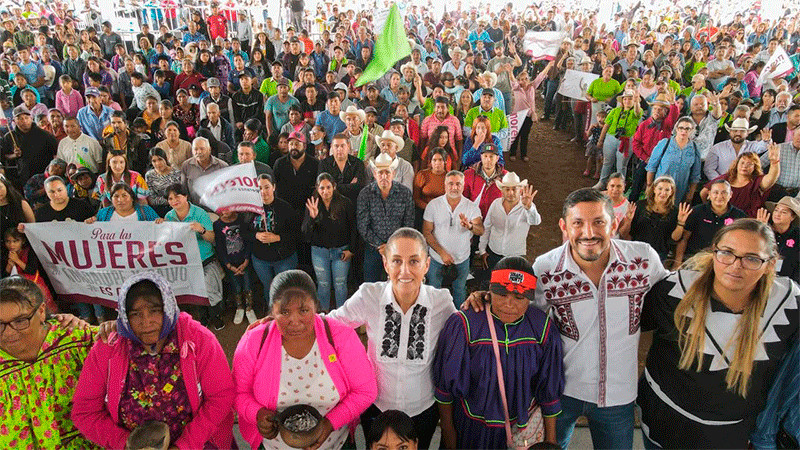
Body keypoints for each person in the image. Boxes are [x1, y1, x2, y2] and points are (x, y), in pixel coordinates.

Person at [638, 219, 799, 448]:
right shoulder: (673, 291)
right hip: (662, 424)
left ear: (771, 264)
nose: (736, 265)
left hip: (732, 436)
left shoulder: (790, 304)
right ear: (714, 251)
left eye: (752, 258)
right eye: (727, 253)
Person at [71, 272, 235, 448]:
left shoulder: (197, 339)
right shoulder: (108, 348)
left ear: (168, 308)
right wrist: (125, 444)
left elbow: (221, 397)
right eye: (135, 314)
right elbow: (85, 411)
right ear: (125, 316)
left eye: (155, 311)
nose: (146, 321)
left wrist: (185, 446)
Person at [233, 269, 378, 450]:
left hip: (335, 444)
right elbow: (239, 394)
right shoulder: (254, 342)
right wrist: (256, 414)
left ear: (316, 307)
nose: (295, 321)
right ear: (272, 311)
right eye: (284, 312)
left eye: (303, 310)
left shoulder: (340, 336)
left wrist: (329, 424)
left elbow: (366, 391)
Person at [435, 256, 564, 448]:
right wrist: (449, 433)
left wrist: (551, 442)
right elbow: (445, 389)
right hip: (471, 429)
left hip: (520, 431)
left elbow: (549, 390)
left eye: (519, 297)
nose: (509, 304)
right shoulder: (465, 325)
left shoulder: (541, 329)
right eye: (502, 294)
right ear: (490, 291)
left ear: (530, 298)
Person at [0, 276, 96, 448]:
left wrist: (112, 327)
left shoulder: (78, 341)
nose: (8, 333)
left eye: (20, 321)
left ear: (42, 311)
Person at [160, 183, 225, 330]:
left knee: (210, 288)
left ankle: (216, 315)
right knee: (194, 291)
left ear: (186, 196)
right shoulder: (169, 216)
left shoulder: (200, 213)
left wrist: (201, 230)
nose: (174, 201)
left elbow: (211, 238)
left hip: (205, 259)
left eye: (177, 196)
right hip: (185, 262)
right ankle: (203, 317)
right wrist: (160, 226)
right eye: (170, 198)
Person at [422, 170, 483, 306]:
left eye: (458, 184)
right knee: (433, 290)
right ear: (445, 185)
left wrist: (470, 226)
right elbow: (426, 233)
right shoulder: (433, 205)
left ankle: (458, 320)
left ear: (463, 185)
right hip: (437, 259)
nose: (454, 187)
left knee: (460, 290)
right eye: (451, 184)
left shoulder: (471, 206)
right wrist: (442, 253)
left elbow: (481, 230)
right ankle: (434, 318)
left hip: (462, 259)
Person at [302, 173, 357, 311]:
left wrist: (352, 250)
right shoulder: (313, 204)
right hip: (319, 252)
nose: (325, 191)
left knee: (340, 284)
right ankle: (323, 316)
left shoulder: (345, 203)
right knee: (323, 285)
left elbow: (354, 229)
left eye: (328, 187)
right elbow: (305, 234)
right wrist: (312, 218)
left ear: (334, 186)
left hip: (341, 251)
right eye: (322, 188)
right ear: (317, 188)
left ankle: (341, 317)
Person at [243, 174, 298, 312]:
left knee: (284, 289)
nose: (263, 191)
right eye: (259, 188)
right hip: (261, 259)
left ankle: (287, 313)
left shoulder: (285, 207)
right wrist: (256, 235)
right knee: (269, 288)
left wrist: (277, 238)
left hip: (284, 258)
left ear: (273, 187)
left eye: (267, 187)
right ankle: (272, 314)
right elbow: (243, 233)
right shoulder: (251, 209)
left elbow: (296, 233)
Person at [357, 153, 415, 283]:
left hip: (398, 248)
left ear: (393, 174)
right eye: (380, 173)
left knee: (397, 284)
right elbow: (363, 225)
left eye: (387, 173)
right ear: (374, 173)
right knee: (371, 286)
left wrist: (392, 245)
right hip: (373, 249)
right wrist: (381, 246)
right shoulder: (365, 194)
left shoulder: (405, 193)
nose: (384, 176)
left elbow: (408, 223)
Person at [478, 172, 541, 273]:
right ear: (502, 190)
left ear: (520, 190)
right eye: (507, 189)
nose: (511, 193)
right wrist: (482, 250)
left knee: (512, 286)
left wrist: (529, 208)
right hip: (494, 253)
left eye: (514, 189)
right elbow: (487, 227)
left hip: (515, 256)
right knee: (491, 283)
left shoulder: (527, 205)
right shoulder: (495, 204)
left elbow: (536, 221)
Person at [619, 176, 687, 262]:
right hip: (636, 250)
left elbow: (675, 238)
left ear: (671, 192)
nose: (663, 193)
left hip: (658, 255)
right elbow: (625, 233)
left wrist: (681, 223)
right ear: (654, 189)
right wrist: (628, 220)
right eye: (660, 188)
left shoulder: (675, 211)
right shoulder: (640, 205)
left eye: (667, 190)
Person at [701, 146, 780, 217]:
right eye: (742, 163)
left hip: (747, 221)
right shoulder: (726, 177)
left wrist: (774, 162)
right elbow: (703, 193)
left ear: (755, 167)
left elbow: (771, 178)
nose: (745, 166)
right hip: (725, 218)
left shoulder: (757, 180)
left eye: (749, 164)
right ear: (737, 164)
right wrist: (711, 209)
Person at [646, 117, 702, 205]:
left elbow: (695, 175)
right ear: (676, 128)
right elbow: (651, 167)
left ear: (692, 130)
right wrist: (649, 186)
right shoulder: (665, 143)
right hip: (660, 190)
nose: (684, 131)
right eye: (681, 128)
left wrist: (690, 194)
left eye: (687, 128)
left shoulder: (694, 149)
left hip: (680, 191)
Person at [2, 105, 59, 191]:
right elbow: (5, 156)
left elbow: (56, 153)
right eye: (20, 118)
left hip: (44, 176)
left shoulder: (44, 135)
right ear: (14, 121)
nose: (24, 121)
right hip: (23, 177)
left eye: (26, 117)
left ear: (31, 118)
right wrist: (15, 155)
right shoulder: (9, 137)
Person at [594, 89, 643, 188]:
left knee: (621, 165)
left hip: (626, 140)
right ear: (622, 100)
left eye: (630, 99)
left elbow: (637, 113)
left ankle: (620, 186)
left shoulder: (636, 112)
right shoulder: (614, 111)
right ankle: (602, 182)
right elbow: (606, 125)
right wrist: (600, 140)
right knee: (607, 161)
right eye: (625, 99)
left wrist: (637, 101)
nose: (627, 101)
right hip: (611, 138)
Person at [704, 118, 769, 180]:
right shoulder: (717, 148)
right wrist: (721, 182)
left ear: (747, 133)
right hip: (722, 186)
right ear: (730, 132)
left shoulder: (752, 145)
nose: (738, 133)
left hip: (746, 185)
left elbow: (763, 147)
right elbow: (709, 169)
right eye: (735, 131)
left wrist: (766, 140)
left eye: (742, 131)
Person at [761, 196, 800, 283]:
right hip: (761, 277)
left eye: (784, 212)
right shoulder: (763, 228)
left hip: (788, 281)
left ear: (792, 217)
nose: (777, 214)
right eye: (776, 210)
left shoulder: (797, 235)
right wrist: (761, 231)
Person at [180, 137, 229, 206]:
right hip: (194, 208)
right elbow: (184, 189)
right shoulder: (186, 166)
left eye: (202, 149)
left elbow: (226, 191)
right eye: (195, 149)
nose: (199, 152)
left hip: (216, 208)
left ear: (209, 150)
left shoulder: (222, 166)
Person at [463, 143, 507, 218]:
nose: (488, 160)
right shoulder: (469, 174)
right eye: (485, 156)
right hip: (474, 218)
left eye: (491, 156)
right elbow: (464, 199)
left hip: (497, 219)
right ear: (481, 157)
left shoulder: (506, 177)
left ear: (497, 158)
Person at [87, 182, 159, 223]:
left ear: (132, 198)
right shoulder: (103, 213)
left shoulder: (146, 211)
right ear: (111, 199)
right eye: (116, 196)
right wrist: (90, 224)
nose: (120, 200)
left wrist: (160, 222)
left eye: (124, 196)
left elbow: (159, 231)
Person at [145, 148, 182, 217]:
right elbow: (151, 199)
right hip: (157, 209)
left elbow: (180, 195)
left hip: (176, 208)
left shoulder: (177, 173)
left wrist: (173, 201)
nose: (158, 163)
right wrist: (171, 200)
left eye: (160, 159)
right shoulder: (149, 175)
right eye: (154, 161)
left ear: (165, 158)